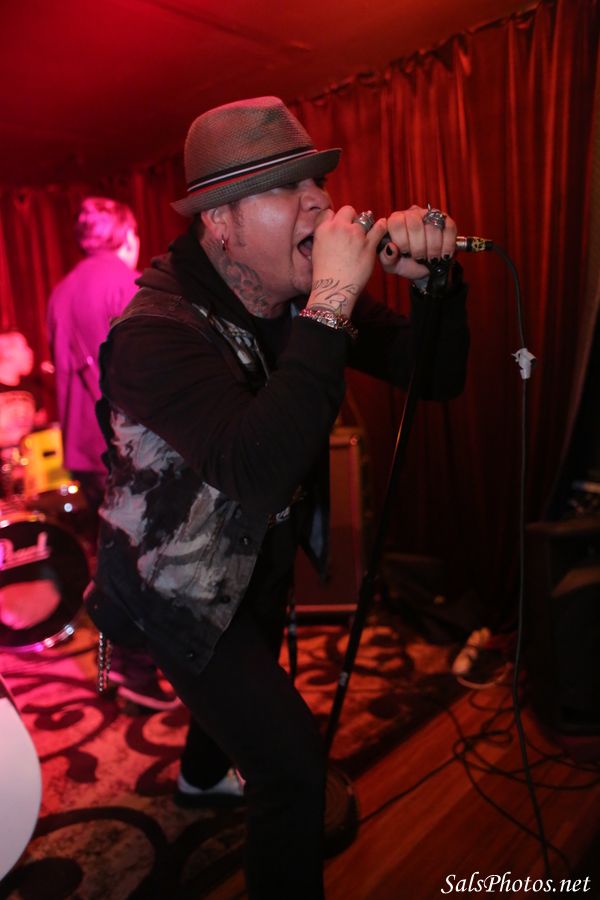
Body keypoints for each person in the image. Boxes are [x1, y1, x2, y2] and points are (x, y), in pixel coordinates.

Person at [90, 96, 470, 898]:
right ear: (220, 221)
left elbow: (433, 373)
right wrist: (330, 302)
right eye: (286, 188)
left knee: (240, 691)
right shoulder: (154, 333)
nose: (319, 204)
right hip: (175, 586)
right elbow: (256, 467)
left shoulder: (290, 292)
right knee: (292, 768)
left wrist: (435, 283)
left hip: (253, 555)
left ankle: (199, 778)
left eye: (317, 184)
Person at [46, 197, 178, 711]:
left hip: (84, 452)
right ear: (126, 234)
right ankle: (134, 670)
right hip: (124, 450)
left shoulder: (61, 291)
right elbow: (143, 376)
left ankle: (120, 665)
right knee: (144, 565)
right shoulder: (126, 283)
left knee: (116, 560)